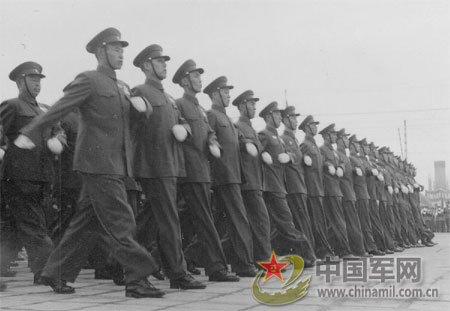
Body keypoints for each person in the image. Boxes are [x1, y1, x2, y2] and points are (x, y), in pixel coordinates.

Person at [16, 28, 164, 298]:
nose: (121, 54)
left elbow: (131, 124)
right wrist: (30, 132)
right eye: (116, 49)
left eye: (122, 50)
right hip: (97, 163)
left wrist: (145, 109)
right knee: (122, 220)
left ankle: (56, 273)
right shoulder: (89, 80)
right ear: (101, 51)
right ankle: (137, 279)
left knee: (86, 223)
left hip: (116, 164)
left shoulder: (121, 86)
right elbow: (61, 106)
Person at [172, 60, 242, 280]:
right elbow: (176, 129)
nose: (200, 80)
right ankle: (216, 269)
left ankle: (156, 258)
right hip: (190, 171)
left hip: (203, 172)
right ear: (185, 81)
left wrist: (213, 142)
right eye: (195, 76)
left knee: (193, 219)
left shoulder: (201, 110)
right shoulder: (179, 105)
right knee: (203, 219)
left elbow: (210, 132)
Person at [0, 61, 58, 284]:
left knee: (16, 227)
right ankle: (46, 271)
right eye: (32, 80)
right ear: (19, 82)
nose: (37, 84)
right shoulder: (12, 106)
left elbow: (56, 130)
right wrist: (7, 146)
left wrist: (57, 139)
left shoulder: (41, 110)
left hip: (41, 176)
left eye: (39, 80)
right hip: (18, 176)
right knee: (34, 225)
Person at [204, 76, 256, 276]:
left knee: (222, 222)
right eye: (225, 92)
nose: (228, 96)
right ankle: (244, 264)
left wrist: (246, 144)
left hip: (234, 175)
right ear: (215, 94)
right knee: (238, 219)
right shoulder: (212, 115)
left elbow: (240, 139)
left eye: (228, 92)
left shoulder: (229, 120)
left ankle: (194, 256)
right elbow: (209, 136)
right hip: (223, 175)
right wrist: (213, 143)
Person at [259, 102, 315, 266]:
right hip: (271, 185)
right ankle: (308, 255)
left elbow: (286, 154)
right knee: (285, 221)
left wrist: (290, 156)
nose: (280, 118)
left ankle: (300, 256)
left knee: (277, 225)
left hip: (280, 185)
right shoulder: (265, 134)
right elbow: (256, 148)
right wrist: (262, 153)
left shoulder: (278, 138)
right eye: (277, 115)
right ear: (269, 117)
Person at [233, 90, 272, 264]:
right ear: (242, 106)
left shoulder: (251, 128)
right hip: (248, 181)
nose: (254, 107)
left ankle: (193, 256)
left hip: (256, 180)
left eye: (255, 104)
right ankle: (264, 259)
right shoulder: (238, 127)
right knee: (261, 220)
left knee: (251, 222)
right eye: (251, 104)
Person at [298, 115, 337, 262]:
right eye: (312, 125)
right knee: (316, 222)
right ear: (307, 128)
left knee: (320, 221)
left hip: (318, 189)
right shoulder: (306, 145)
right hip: (311, 189)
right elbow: (299, 163)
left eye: (315, 125)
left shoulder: (314, 146)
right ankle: (322, 252)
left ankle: (324, 251)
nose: (315, 127)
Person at [280, 106, 316, 262]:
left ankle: (309, 254)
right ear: (285, 120)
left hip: (300, 185)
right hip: (293, 185)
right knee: (300, 221)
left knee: (303, 220)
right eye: (293, 118)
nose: (295, 121)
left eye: (295, 118)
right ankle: (307, 255)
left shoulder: (294, 139)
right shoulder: (284, 139)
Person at [318, 124, 354, 258]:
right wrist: (328, 165)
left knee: (337, 221)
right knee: (336, 221)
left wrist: (342, 167)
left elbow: (341, 163)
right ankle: (342, 250)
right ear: (326, 136)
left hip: (337, 189)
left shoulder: (333, 152)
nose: (335, 136)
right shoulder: (322, 150)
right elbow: (321, 164)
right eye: (332, 134)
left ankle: (340, 250)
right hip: (329, 189)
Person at [336, 128, 368, 257]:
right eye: (344, 138)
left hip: (350, 193)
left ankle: (357, 249)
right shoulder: (338, 155)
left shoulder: (345, 156)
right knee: (349, 223)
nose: (346, 141)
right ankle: (352, 250)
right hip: (345, 192)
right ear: (339, 140)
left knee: (353, 223)